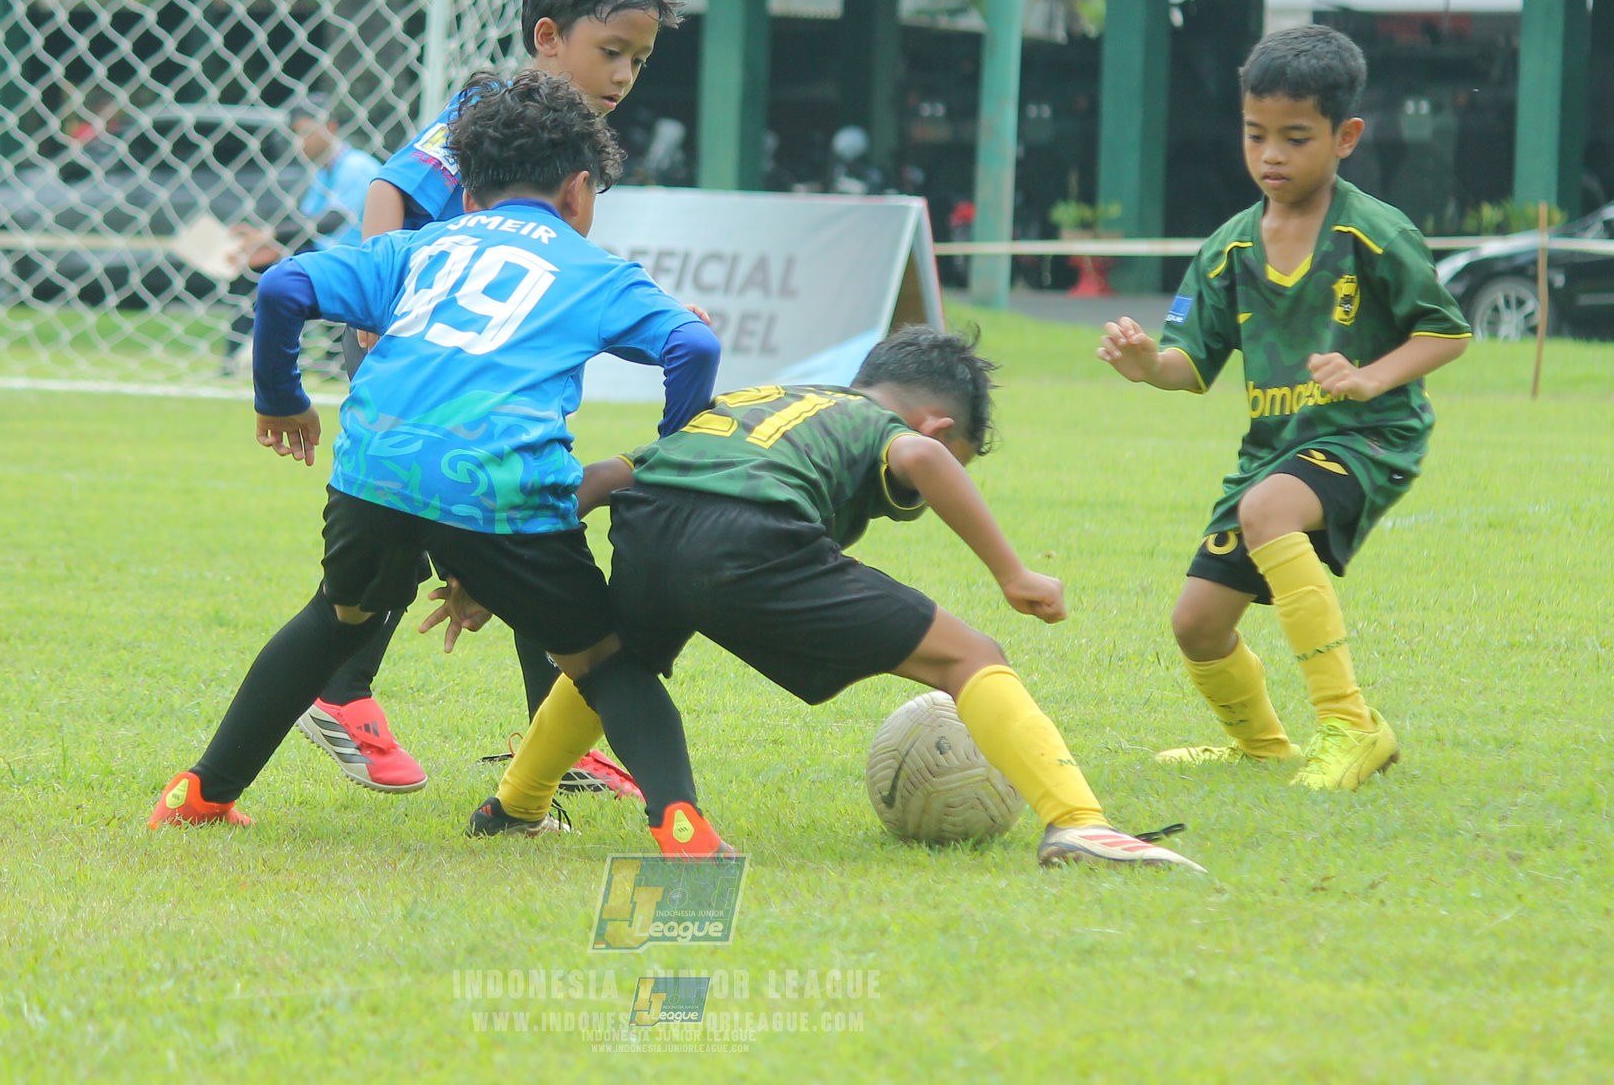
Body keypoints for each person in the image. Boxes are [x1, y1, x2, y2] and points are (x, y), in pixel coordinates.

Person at [148, 71, 730, 856]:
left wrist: (279, 396)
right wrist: (673, 472)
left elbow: (285, 283)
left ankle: (199, 793)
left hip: (375, 471)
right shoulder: (594, 270)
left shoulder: (418, 247)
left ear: (468, 191)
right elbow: (692, 343)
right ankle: (681, 825)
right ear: (579, 190)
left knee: (340, 614)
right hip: (502, 485)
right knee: (599, 657)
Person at [466, 326, 1202, 871]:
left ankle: (517, 805)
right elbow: (919, 456)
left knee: (614, 662)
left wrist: (500, 567)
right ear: (939, 423)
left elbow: (601, 474)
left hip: (650, 524)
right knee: (972, 656)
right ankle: (1078, 819)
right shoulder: (891, 430)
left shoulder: (761, 398)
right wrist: (1015, 574)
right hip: (752, 537)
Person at [300, 0, 681, 799]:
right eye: (610, 51)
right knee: (498, 529)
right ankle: (341, 689)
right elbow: (389, 190)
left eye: (638, 60)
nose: (624, 74)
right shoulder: (502, 102)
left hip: (477, 364)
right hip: (426, 354)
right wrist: (375, 313)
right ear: (549, 38)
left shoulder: (568, 129)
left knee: (523, 524)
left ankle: (546, 735)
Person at [1096, 25, 1470, 790]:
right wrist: (1146, 366)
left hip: (1370, 434)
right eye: (1255, 134)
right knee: (1197, 623)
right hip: (1277, 448)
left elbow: (1445, 332)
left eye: (1295, 137)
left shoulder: (1375, 230)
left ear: (1345, 137)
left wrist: (1370, 376)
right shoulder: (1227, 249)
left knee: (1268, 510)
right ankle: (1264, 745)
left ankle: (1352, 725)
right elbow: (1188, 366)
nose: (1271, 154)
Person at [223, 95, 382, 368]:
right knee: (254, 264)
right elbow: (304, 222)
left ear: (330, 127)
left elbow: (330, 222)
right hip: (327, 256)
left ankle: (260, 354)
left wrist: (268, 236)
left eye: (307, 132)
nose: (301, 142)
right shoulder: (323, 172)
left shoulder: (357, 166)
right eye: (296, 135)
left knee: (265, 268)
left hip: (357, 260)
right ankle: (237, 355)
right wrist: (263, 238)